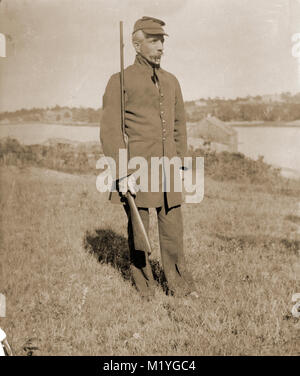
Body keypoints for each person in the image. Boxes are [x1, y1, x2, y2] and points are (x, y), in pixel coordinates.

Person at [100, 16, 199, 299]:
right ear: (136, 43)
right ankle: (144, 288)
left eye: (162, 40)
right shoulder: (119, 81)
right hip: (137, 170)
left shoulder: (171, 81)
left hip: (167, 168)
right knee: (140, 231)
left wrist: (180, 162)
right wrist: (122, 173)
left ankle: (179, 285)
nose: (160, 47)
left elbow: (179, 125)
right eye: (153, 40)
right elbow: (111, 131)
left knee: (173, 229)